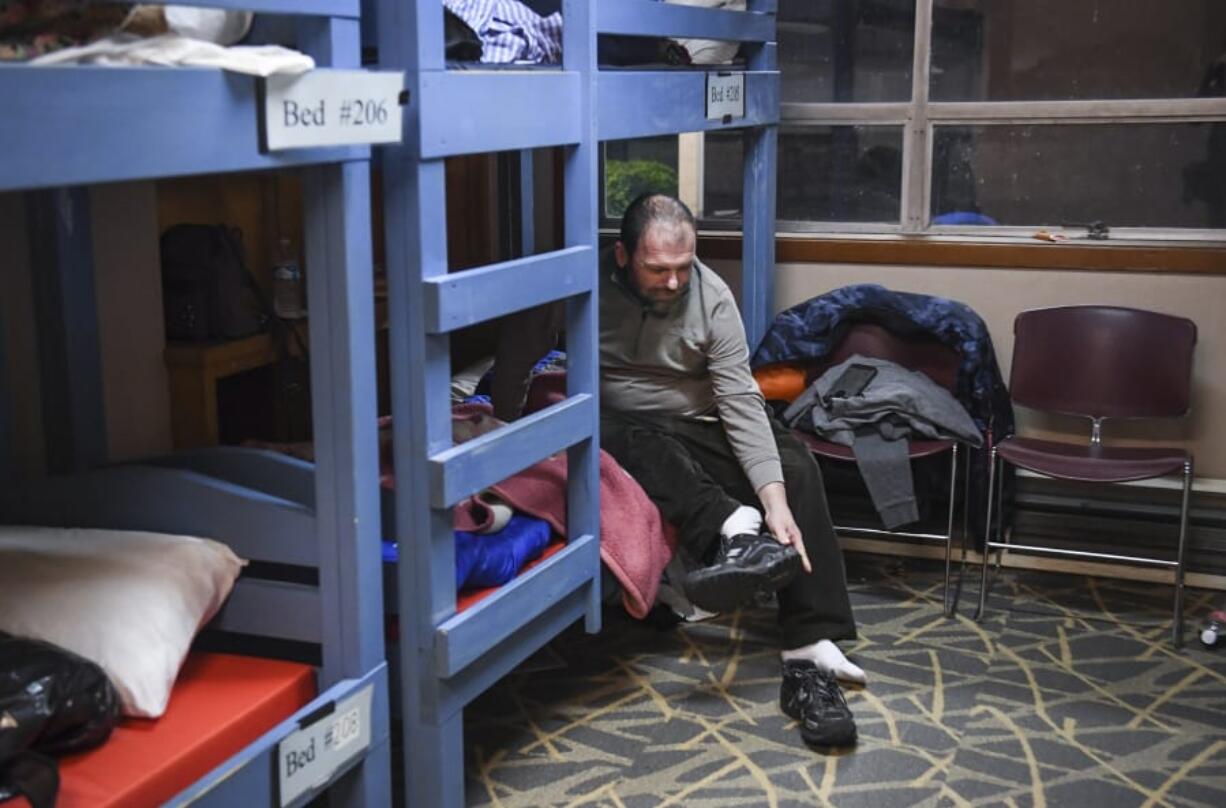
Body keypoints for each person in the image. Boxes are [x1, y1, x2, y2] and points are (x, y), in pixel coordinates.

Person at [596, 193, 862, 749]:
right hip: (620, 423)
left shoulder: (711, 297)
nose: (673, 283)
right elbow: (524, 350)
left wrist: (775, 498)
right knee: (626, 436)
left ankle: (810, 646)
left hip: (700, 418)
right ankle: (731, 531)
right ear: (622, 256)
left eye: (683, 267)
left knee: (796, 466)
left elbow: (740, 401)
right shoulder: (583, 288)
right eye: (658, 269)